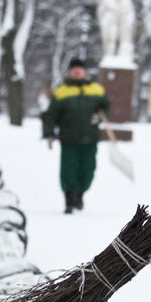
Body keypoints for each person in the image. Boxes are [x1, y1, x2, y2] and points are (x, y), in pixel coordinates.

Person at [41, 58, 110, 213]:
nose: (77, 71)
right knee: (68, 170)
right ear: (70, 72)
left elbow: (106, 106)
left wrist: (100, 116)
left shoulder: (96, 90)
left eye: (80, 69)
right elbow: (51, 115)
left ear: (84, 71)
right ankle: (69, 199)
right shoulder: (61, 92)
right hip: (69, 139)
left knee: (88, 170)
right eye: (74, 69)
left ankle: (80, 194)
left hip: (90, 138)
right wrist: (49, 132)